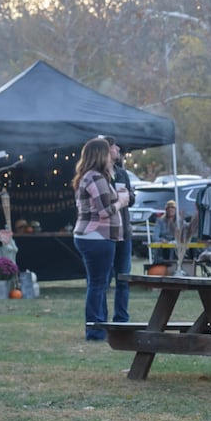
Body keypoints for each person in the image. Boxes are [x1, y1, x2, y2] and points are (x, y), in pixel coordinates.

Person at [72, 137, 124, 343]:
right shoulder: (95, 178)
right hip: (97, 236)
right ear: (100, 155)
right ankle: (95, 329)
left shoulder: (89, 176)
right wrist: (121, 201)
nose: (112, 154)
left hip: (93, 236)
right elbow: (104, 211)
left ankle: (99, 327)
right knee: (97, 284)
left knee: (98, 283)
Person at [103, 136, 135, 322]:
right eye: (114, 146)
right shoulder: (99, 175)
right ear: (107, 150)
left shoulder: (122, 174)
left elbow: (132, 198)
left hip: (125, 232)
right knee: (104, 280)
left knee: (124, 279)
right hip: (107, 233)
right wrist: (118, 200)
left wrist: (128, 197)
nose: (118, 148)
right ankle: (102, 319)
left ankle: (121, 319)